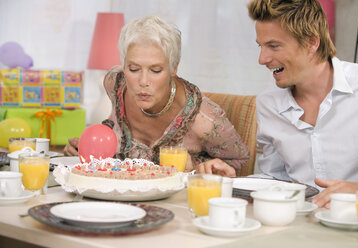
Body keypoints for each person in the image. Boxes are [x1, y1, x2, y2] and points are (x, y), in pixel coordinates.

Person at [64, 15, 249, 177]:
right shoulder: (115, 83)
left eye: (156, 70)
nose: (143, 81)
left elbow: (240, 162)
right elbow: (111, 132)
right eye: (134, 69)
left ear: (173, 68)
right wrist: (86, 148)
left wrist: (198, 167)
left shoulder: (205, 120)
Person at [247, 0, 358, 208]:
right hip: (297, 225)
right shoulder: (267, 104)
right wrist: (223, 183)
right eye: (261, 46)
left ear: (312, 42)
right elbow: (274, 179)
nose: (262, 59)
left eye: (274, 46)